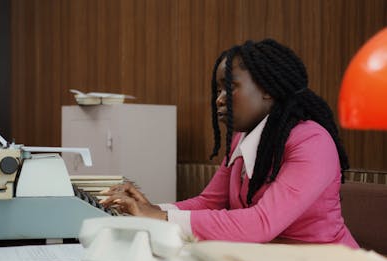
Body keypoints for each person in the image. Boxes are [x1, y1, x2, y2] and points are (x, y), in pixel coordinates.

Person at [100, 39, 359, 248]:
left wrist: (162, 217)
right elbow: (209, 202)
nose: (219, 100)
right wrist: (153, 209)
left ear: (268, 89)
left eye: (230, 88)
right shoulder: (242, 138)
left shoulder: (312, 141)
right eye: (218, 91)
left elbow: (261, 222)